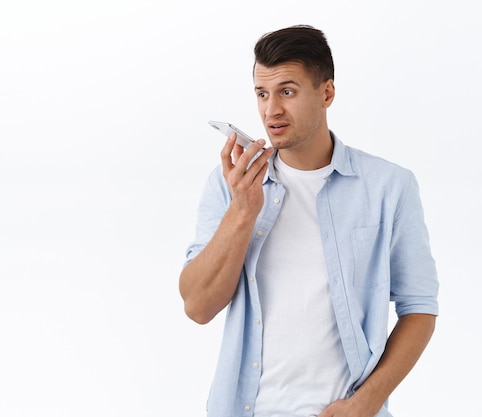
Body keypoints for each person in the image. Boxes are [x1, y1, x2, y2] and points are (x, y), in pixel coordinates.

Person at [179, 25, 439, 417]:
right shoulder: (231, 183)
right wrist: (243, 210)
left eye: (287, 91)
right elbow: (198, 306)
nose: (271, 111)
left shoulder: (389, 187)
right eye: (262, 94)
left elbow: (419, 308)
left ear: (327, 93)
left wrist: (365, 404)